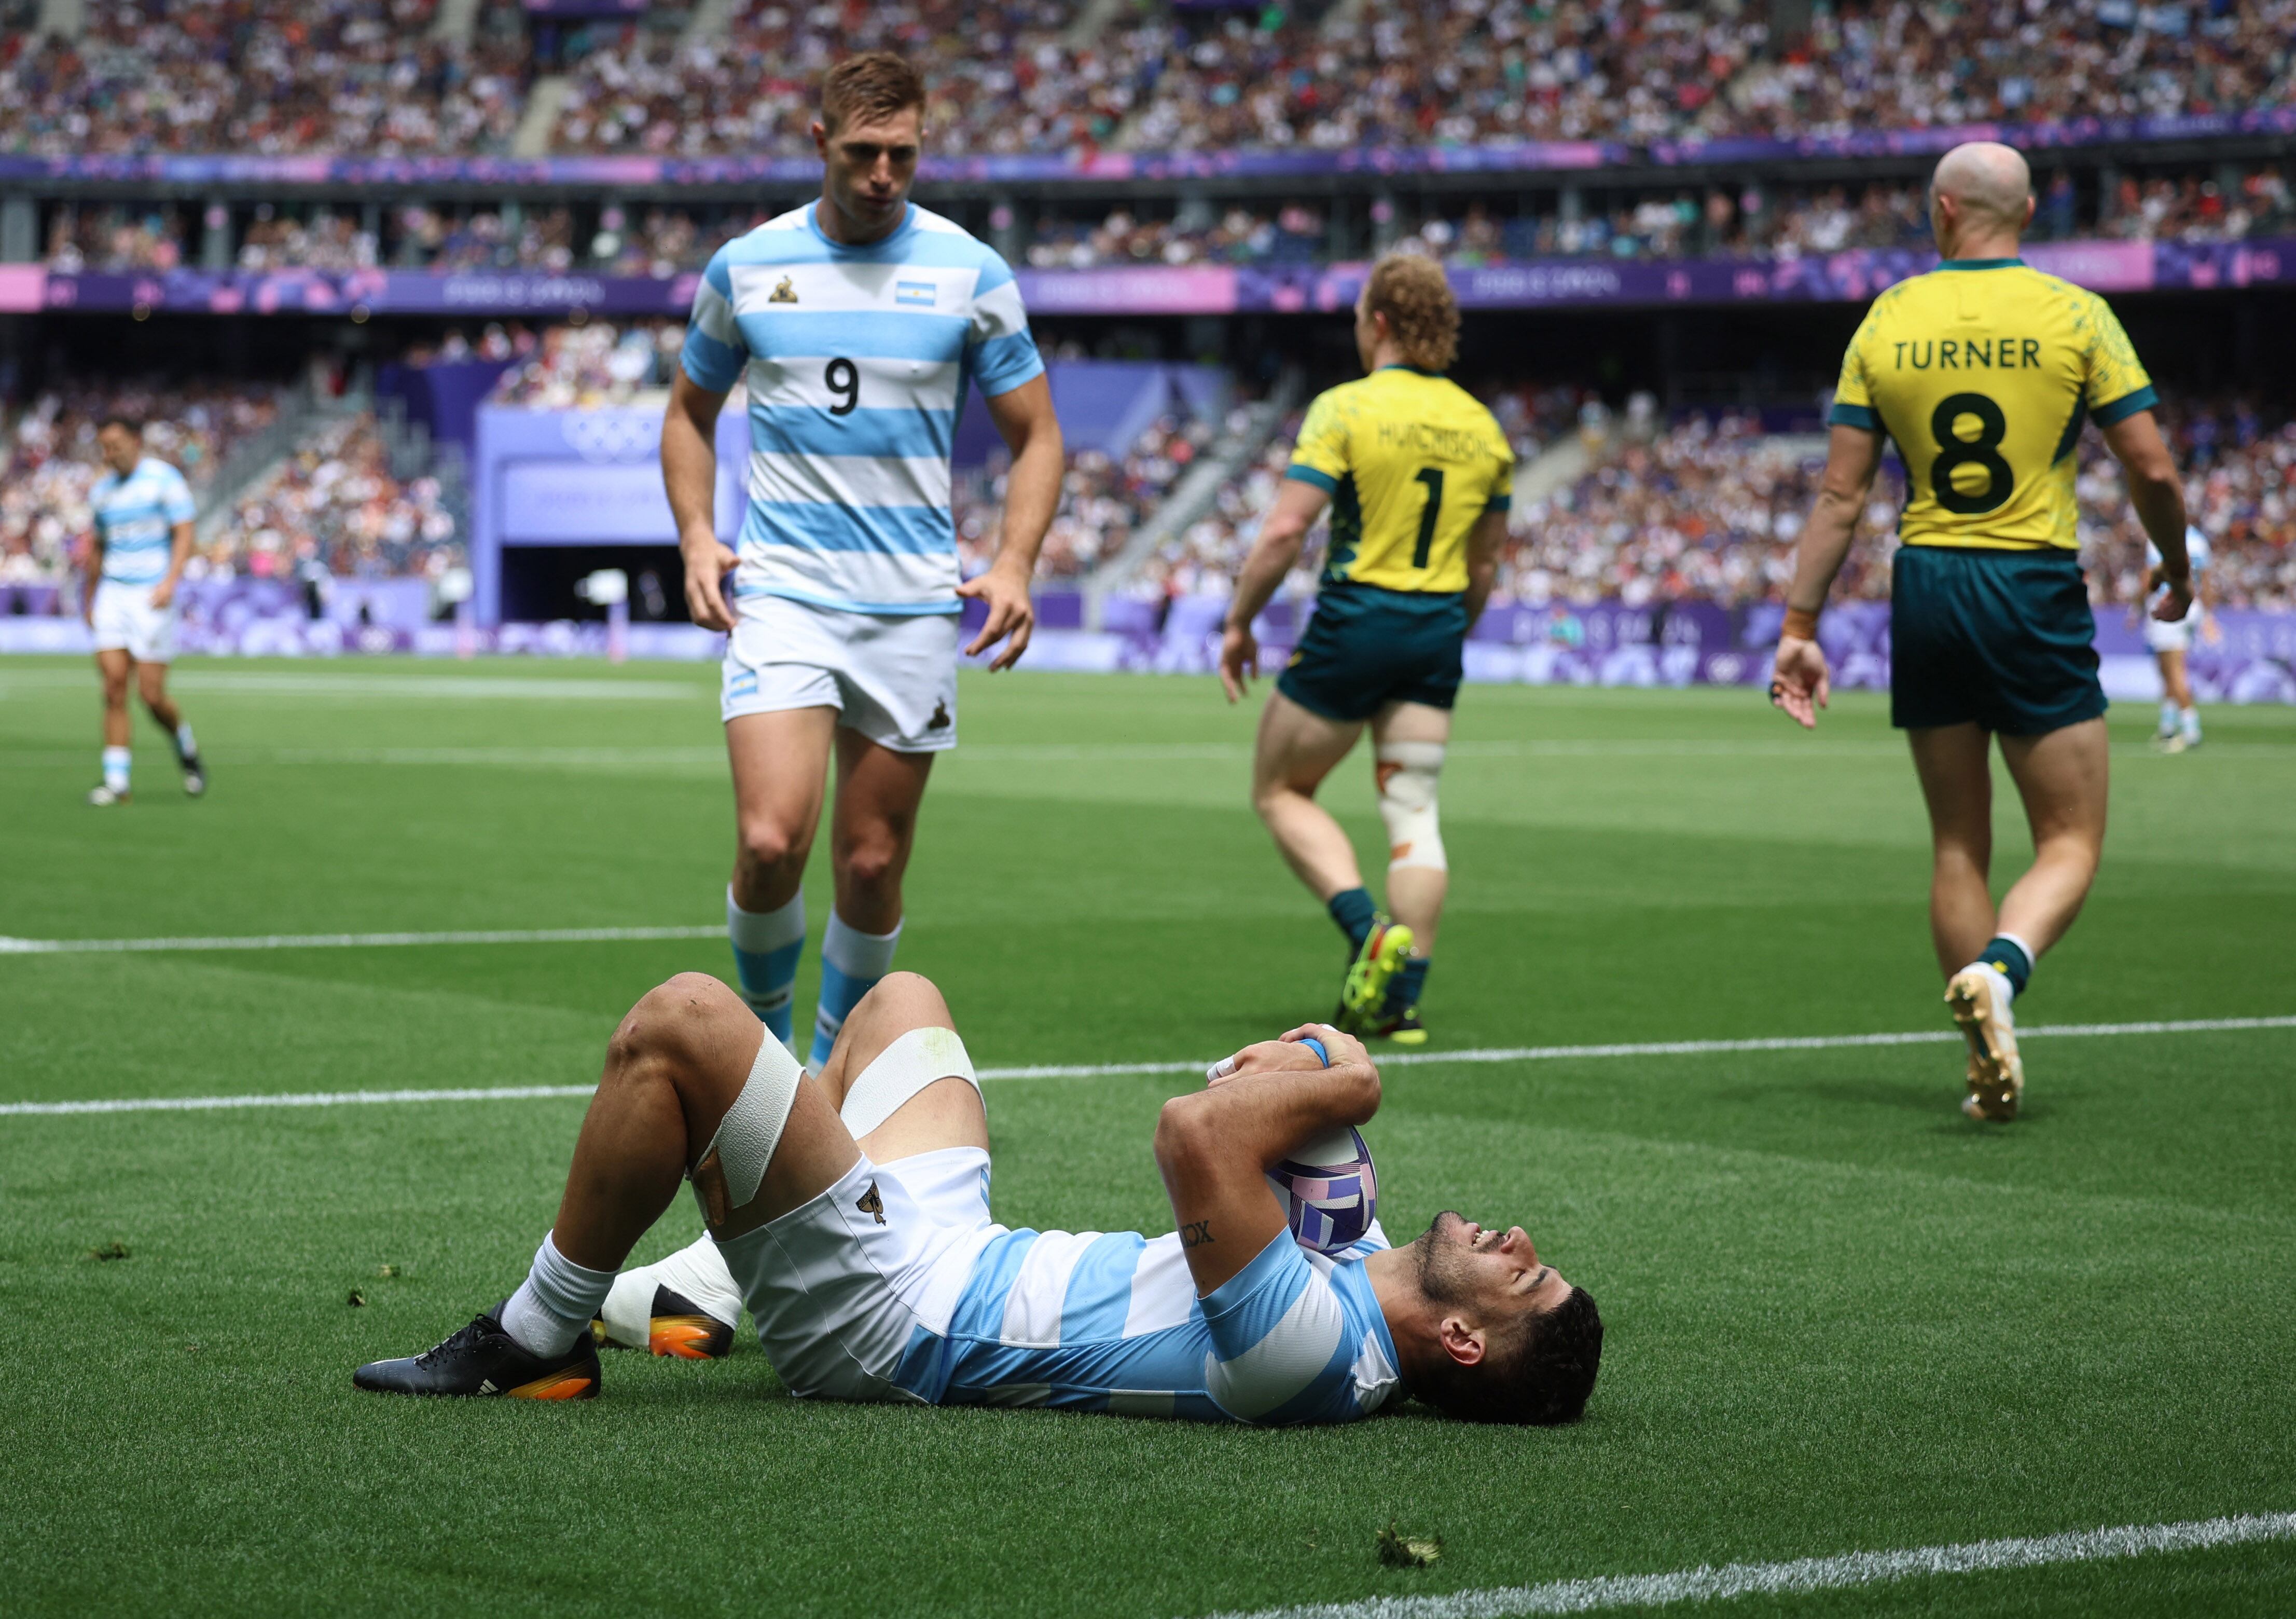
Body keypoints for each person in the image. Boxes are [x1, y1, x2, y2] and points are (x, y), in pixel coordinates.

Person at [351, 971, 1602, 1426]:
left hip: (895, 1321)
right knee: (902, 1000)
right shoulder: (1366, 1260)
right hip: (961, 1245)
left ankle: (535, 1336)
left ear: (1462, 1338)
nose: (1519, 1241)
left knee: (680, 1023)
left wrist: (1350, 1068)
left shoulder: (1313, 1355)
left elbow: (1198, 1124)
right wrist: (1319, 1072)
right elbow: (1281, 1080)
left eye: (1525, 1276)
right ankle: (721, 1276)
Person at [1771, 141, 2193, 1123]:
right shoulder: (2075, 314)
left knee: (1958, 843)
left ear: (1943, 210)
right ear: (2030, 211)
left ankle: (1979, 1050)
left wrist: (1799, 624)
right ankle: (2002, 971)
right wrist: (2175, 562)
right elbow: (2153, 470)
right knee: (2072, 838)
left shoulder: (1890, 317)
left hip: (1925, 582)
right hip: (2032, 580)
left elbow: (1840, 494)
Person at [661, 51, 1062, 1068]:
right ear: (819, 145)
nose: (885, 173)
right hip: (787, 592)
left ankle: (832, 1079)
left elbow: (1039, 437)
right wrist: (698, 534)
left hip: (912, 606)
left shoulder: (971, 274)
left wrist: (1013, 563)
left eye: (904, 154)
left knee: (873, 862)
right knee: (767, 843)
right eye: (864, 153)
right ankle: (761, 1060)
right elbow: (688, 412)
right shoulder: (746, 269)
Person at [1216, 255, 1515, 1046]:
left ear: (1378, 321)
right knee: (1413, 811)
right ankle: (1401, 1001)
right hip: (1436, 628)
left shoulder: (1345, 409)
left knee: (1280, 789)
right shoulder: (1485, 429)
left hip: (1357, 619)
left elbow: (1286, 529)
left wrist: (1239, 620)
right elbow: (1484, 567)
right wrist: (1453, 631)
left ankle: (1365, 932)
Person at [81, 414, 206, 807]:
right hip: (113, 595)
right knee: (114, 686)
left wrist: (171, 581)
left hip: (152, 595)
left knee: (151, 695)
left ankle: (185, 745)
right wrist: (90, 597)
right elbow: (99, 547)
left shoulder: (164, 479)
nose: (109, 453)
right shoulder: (101, 492)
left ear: (136, 441)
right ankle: (116, 782)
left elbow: (185, 532)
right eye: (104, 446)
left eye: (115, 445)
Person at [2140, 524, 2211, 753]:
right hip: (2193, 606)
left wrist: (2135, 607)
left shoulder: (2159, 537)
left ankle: (2191, 730)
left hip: (2169, 605)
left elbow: (2151, 578)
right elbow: (2207, 582)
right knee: (2168, 670)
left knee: (2173, 671)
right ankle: (2168, 727)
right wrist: (2207, 615)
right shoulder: (2199, 540)